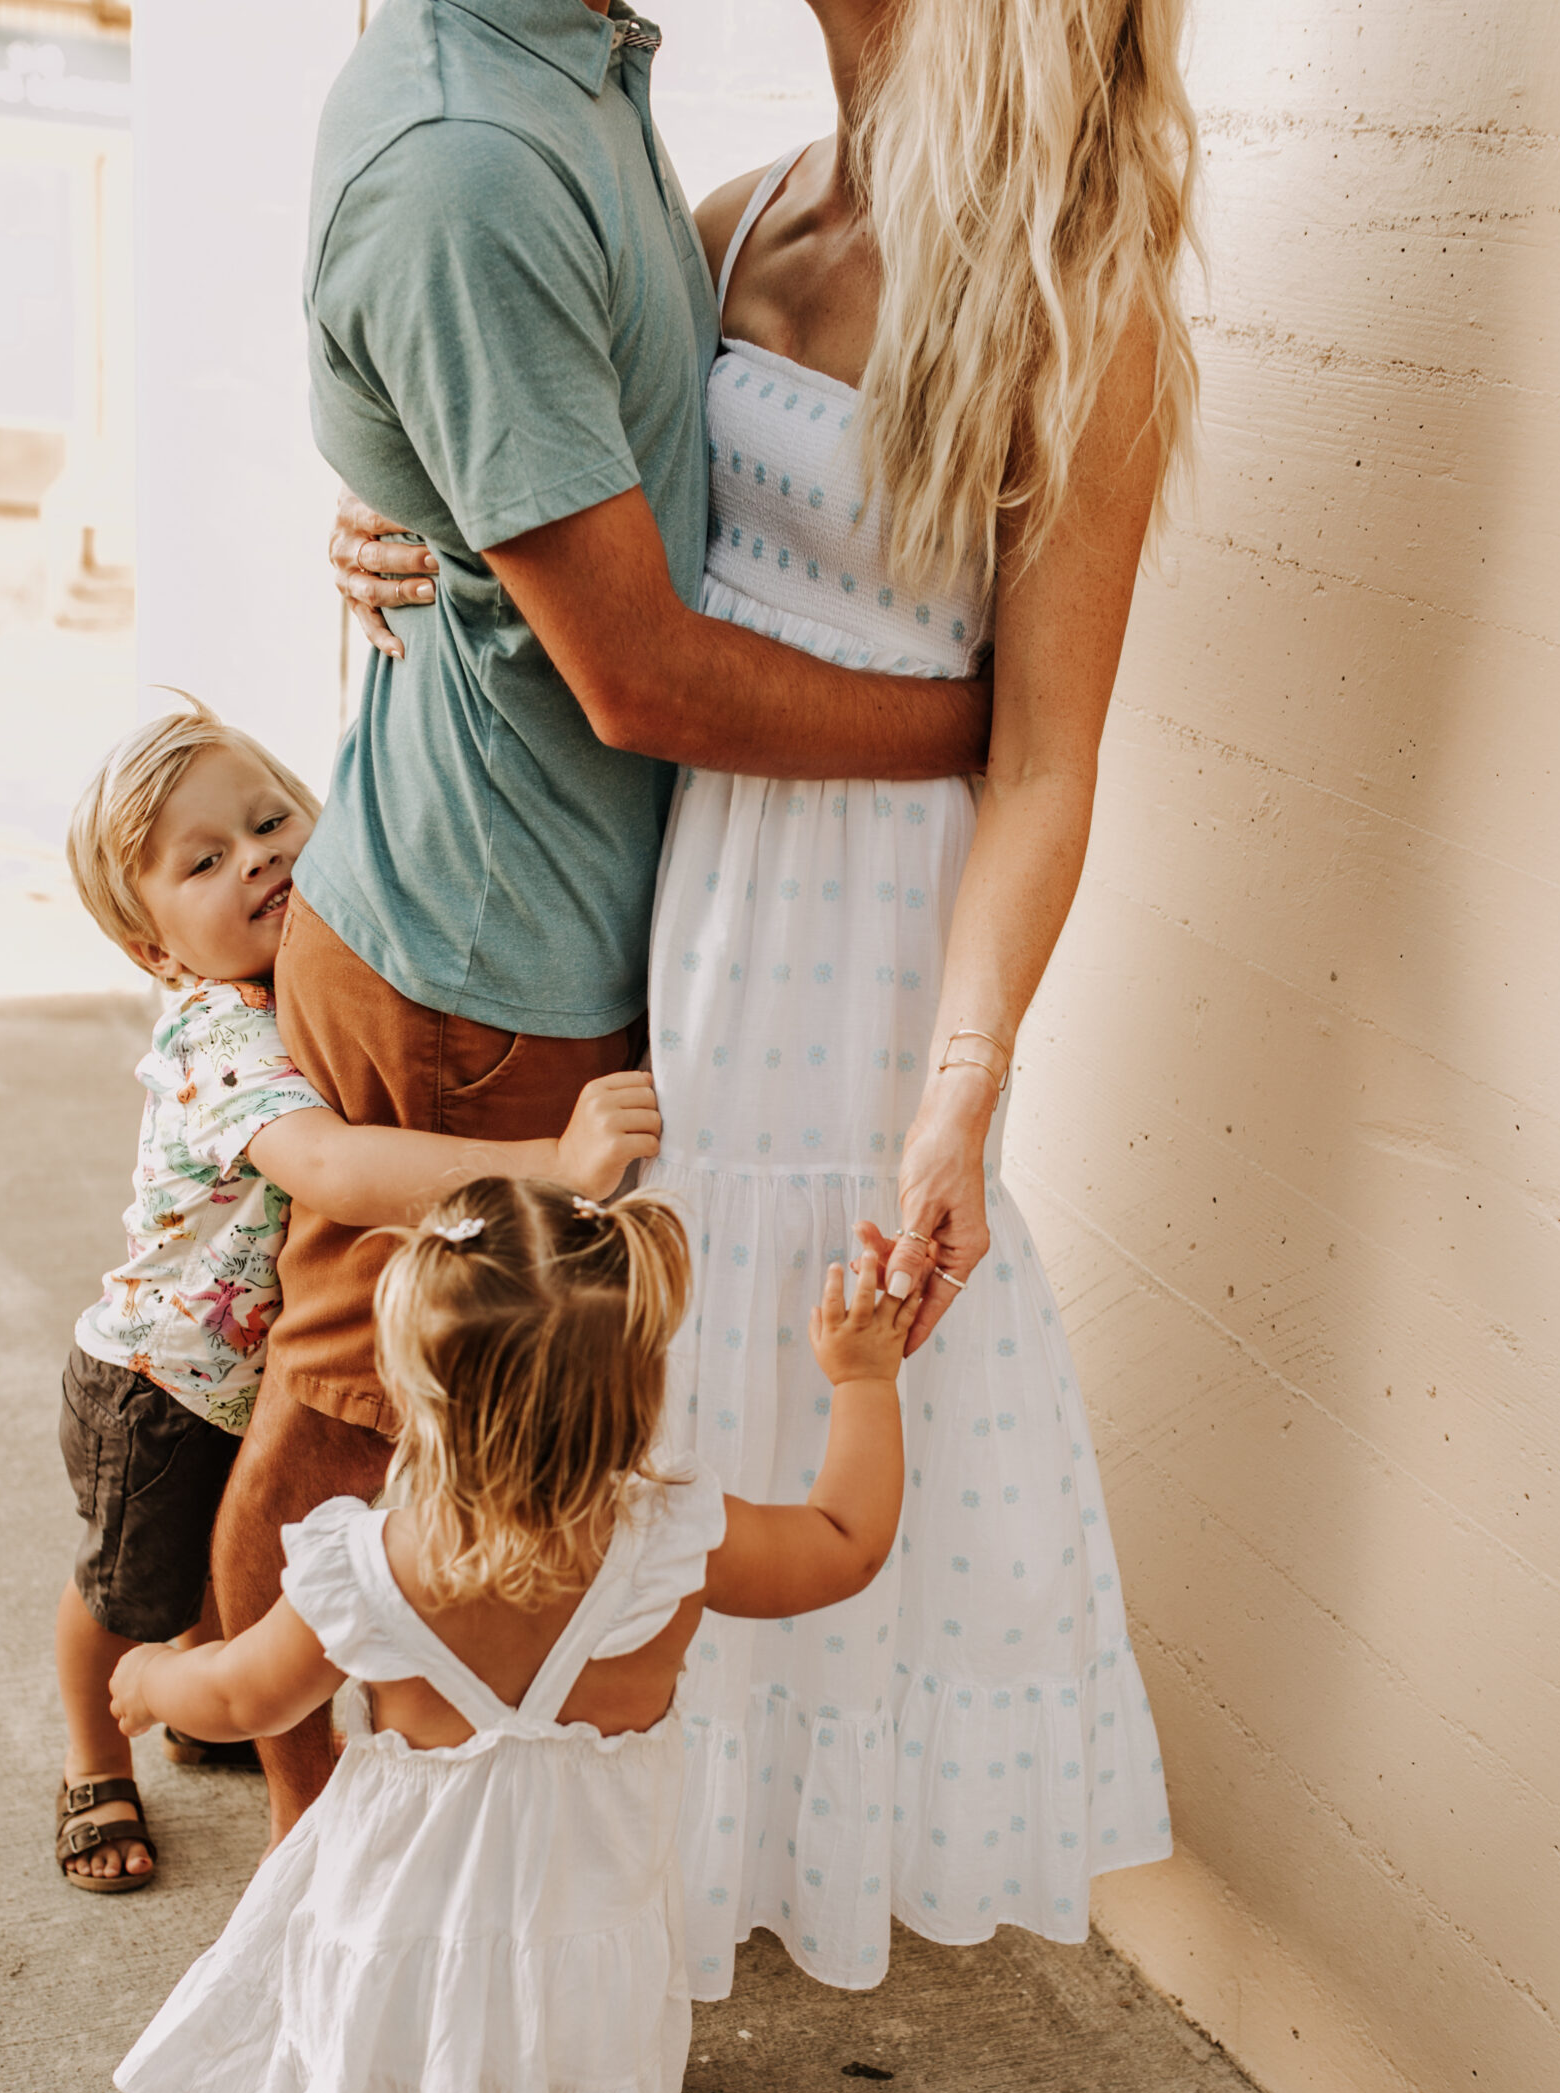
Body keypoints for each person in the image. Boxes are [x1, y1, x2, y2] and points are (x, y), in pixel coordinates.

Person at [333, 0, 1201, 1994]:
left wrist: (955, 1095)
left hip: (870, 964)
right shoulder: (727, 217)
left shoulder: (1081, 299)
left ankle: (696, 1902)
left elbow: (1048, 760)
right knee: (630, 1393)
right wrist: (394, 519)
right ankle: (560, 1888)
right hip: (680, 904)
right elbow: (546, 478)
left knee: (797, 1393)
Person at [222, 0, 990, 1858]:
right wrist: (988, 723)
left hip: (530, 925)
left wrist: (406, 479)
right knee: (354, 1436)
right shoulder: (468, 161)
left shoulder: (570, 59)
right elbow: (638, 676)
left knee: (410, 1424)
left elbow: (521, 400)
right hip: (475, 972)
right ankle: (316, 1850)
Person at [110, 1179, 916, 2093]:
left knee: (374, 2057)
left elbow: (241, 1696)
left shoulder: (368, 1560)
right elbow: (846, 1546)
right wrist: (864, 1380)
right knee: (522, 2063)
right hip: (574, 1904)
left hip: (391, 1903)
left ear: (422, 1390)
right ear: (631, 1383)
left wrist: (149, 1688)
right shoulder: (675, 1540)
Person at [55, 702, 658, 1891]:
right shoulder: (214, 1036)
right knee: (129, 1584)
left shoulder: (308, 980)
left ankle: (205, 1698)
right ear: (157, 952)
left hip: (241, 1369)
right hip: (162, 1385)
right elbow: (333, 1166)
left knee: (233, 1562)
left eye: (271, 820)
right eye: (207, 861)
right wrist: (551, 1165)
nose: (261, 856)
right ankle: (91, 1756)